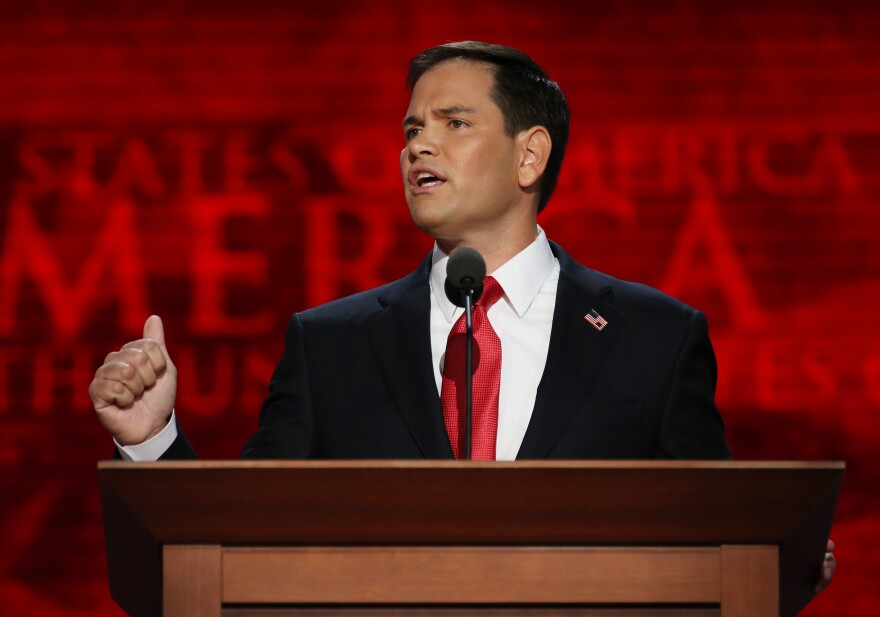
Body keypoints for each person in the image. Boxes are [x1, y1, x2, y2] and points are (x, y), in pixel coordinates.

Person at [88, 40, 834, 588]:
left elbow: (718, 547)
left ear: (529, 156)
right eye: (412, 129)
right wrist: (153, 440)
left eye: (453, 123)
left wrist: (780, 558)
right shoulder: (331, 344)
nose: (419, 146)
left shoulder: (657, 338)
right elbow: (233, 559)